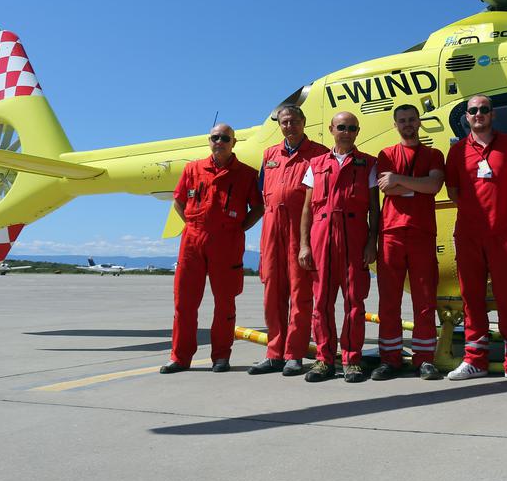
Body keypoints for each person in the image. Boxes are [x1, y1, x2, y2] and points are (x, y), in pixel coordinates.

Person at [443, 95, 507, 381]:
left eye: (484, 110)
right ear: (467, 117)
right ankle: (475, 360)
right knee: (471, 298)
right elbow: (454, 192)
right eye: (473, 111)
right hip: (469, 236)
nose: (478, 114)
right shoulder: (457, 151)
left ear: (492, 115)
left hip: (503, 234)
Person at [162, 123, 262, 374]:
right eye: (215, 137)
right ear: (209, 141)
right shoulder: (192, 169)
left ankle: (221, 356)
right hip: (192, 242)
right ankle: (180, 357)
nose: (220, 141)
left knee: (225, 303)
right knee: (184, 303)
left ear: (233, 143)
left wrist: (238, 228)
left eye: (225, 138)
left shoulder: (247, 174)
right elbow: (178, 200)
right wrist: (194, 224)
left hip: (228, 243)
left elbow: (258, 208)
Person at [298, 111, 380, 384]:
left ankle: (352, 360)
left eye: (352, 128)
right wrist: (304, 245)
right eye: (341, 127)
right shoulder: (316, 164)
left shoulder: (368, 164)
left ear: (357, 131)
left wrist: (372, 242)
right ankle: (324, 360)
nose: (346, 131)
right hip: (322, 238)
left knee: (354, 302)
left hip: (354, 237)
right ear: (332, 129)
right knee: (320, 302)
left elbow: (374, 209)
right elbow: (307, 210)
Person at [251, 104, 329, 377]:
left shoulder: (319, 154)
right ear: (280, 125)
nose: (289, 126)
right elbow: (262, 193)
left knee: (300, 293)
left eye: (294, 121)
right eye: (285, 122)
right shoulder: (270, 154)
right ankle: (274, 353)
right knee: (272, 292)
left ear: (304, 122)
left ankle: (294, 354)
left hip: (301, 229)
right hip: (272, 230)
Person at [373, 104, 446, 381]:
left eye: (411, 119)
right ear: (395, 125)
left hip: (422, 233)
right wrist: (419, 184)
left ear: (419, 122)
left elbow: (434, 186)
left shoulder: (434, 154)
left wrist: (401, 182)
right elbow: (386, 187)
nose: (407, 124)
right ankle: (389, 359)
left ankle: (424, 359)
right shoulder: (386, 154)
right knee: (389, 300)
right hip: (391, 233)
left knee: (425, 299)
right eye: (402, 121)